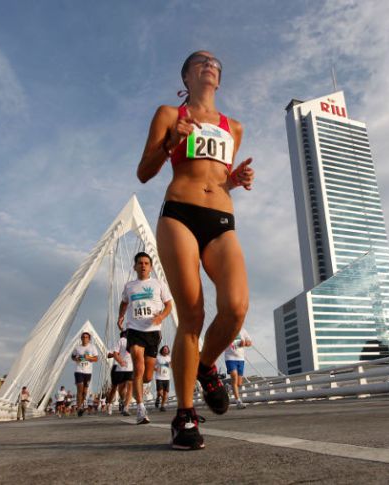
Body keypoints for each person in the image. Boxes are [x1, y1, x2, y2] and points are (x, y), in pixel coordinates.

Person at [137, 51, 254, 450]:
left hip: (221, 221)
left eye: (215, 62)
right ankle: (184, 415)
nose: (209, 64)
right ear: (186, 75)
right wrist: (172, 140)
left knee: (236, 307)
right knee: (192, 314)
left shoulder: (233, 127)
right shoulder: (169, 113)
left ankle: (205, 367)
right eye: (200, 61)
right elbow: (145, 170)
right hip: (180, 215)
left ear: (218, 79)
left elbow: (216, 177)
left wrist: (235, 180)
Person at [116, 252, 173, 425]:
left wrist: (161, 317)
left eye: (146, 263)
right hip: (135, 330)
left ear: (150, 266)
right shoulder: (129, 286)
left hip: (153, 332)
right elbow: (124, 302)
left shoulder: (158, 284)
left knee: (147, 376)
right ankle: (140, 408)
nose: (143, 265)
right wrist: (121, 316)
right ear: (134, 266)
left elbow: (169, 305)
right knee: (138, 367)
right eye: (140, 263)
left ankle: (137, 388)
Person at [71, 332, 99, 417]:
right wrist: (76, 358)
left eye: (86, 337)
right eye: (83, 337)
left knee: (84, 392)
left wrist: (89, 358)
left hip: (88, 372)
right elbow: (72, 356)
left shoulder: (92, 347)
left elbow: (96, 359)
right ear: (81, 338)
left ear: (89, 339)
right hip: (78, 370)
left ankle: (82, 404)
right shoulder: (77, 348)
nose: (84, 338)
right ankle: (79, 408)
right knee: (80, 389)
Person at [224, 328, 252, 409]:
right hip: (230, 358)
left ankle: (229, 387)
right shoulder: (226, 329)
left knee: (239, 383)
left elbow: (250, 342)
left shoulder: (243, 330)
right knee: (234, 377)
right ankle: (238, 401)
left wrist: (245, 343)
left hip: (241, 359)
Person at [154, 345, 172, 411]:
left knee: (166, 392)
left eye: (167, 349)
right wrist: (156, 369)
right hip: (159, 377)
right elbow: (152, 366)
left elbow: (171, 365)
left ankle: (162, 406)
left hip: (167, 377)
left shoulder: (169, 358)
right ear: (162, 350)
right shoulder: (158, 358)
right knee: (160, 391)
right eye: (164, 349)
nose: (165, 350)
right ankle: (159, 397)